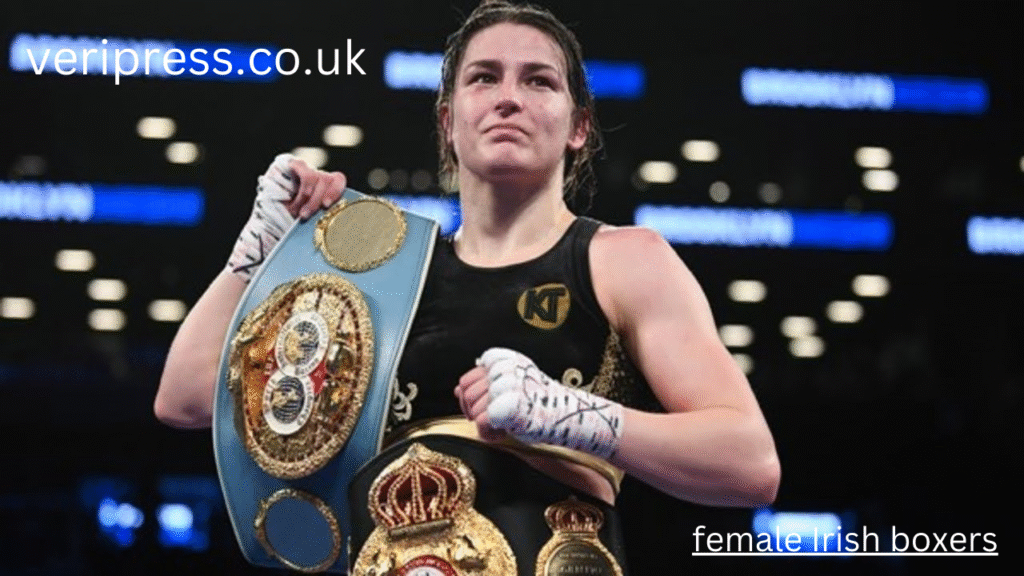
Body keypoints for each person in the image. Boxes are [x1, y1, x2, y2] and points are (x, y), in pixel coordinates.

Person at [155, 1, 780, 573]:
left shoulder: (622, 259)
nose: (509, 97)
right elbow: (183, 398)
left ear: (578, 126)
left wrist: (572, 418)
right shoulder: (378, 279)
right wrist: (261, 249)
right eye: (484, 77)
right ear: (449, 122)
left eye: (538, 80)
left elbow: (751, 463)